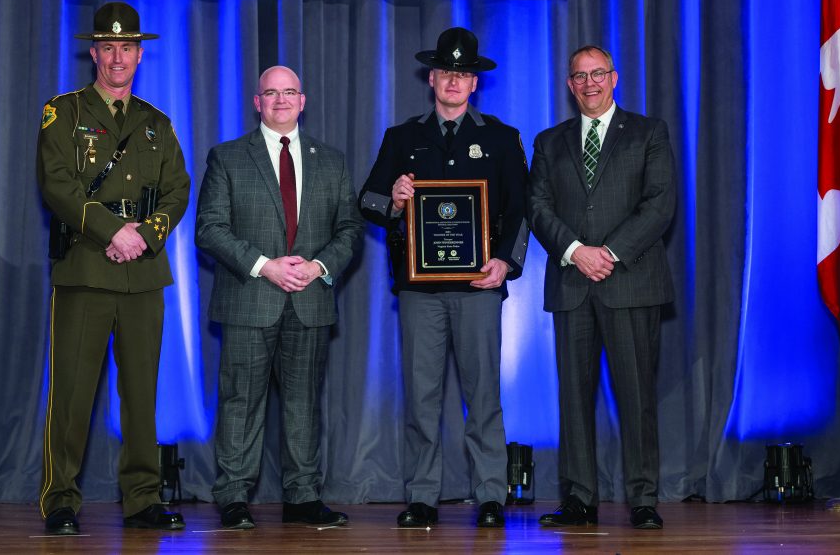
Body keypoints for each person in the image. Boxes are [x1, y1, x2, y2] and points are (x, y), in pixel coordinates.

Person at [358, 27, 529, 528]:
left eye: (462, 73)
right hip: (420, 290)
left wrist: (505, 263)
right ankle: (421, 495)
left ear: (474, 83)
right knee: (421, 397)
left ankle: (491, 494)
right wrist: (395, 200)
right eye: (445, 72)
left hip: (479, 287)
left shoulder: (501, 138)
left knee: (484, 396)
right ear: (431, 78)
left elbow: (522, 210)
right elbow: (367, 201)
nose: (453, 80)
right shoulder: (402, 137)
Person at [36, 2, 190, 535]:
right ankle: (60, 499)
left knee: (142, 394)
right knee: (73, 392)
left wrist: (144, 235)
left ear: (140, 55)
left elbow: (177, 189)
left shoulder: (156, 123)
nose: (117, 57)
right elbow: (57, 184)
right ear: (94, 54)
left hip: (143, 272)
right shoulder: (64, 112)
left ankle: (142, 498)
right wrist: (112, 231)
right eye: (108, 47)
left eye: (127, 48)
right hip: (86, 266)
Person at [196, 65, 364, 530]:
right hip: (249, 296)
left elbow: (350, 229)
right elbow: (209, 228)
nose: (281, 100)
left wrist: (318, 266)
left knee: (304, 404)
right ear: (257, 102)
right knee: (240, 402)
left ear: (303, 101)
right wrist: (264, 265)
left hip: (309, 299)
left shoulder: (331, 160)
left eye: (289, 92)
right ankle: (233, 496)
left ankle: (303, 497)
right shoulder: (227, 157)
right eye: (271, 93)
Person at [527, 45, 676, 530]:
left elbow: (659, 205)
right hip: (572, 282)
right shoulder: (549, 141)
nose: (589, 83)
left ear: (614, 78)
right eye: (579, 76)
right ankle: (578, 499)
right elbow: (538, 207)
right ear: (569, 85)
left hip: (630, 281)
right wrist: (576, 251)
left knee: (637, 396)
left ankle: (643, 499)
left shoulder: (649, 132)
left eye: (597, 74)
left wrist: (608, 253)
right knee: (573, 398)